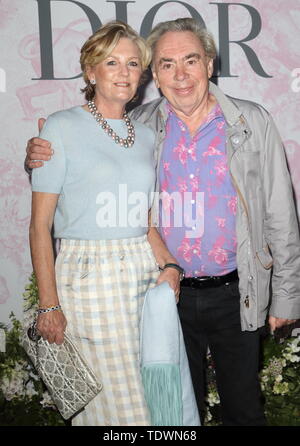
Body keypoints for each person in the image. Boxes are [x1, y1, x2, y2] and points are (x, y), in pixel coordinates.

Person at [25, 18, 300, 426]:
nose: (181, 74)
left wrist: (286, 295)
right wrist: (37, 154)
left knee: (244, 409)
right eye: (167, 64)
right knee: (170, 412)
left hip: (235, 291)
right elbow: (84, 161)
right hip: (159, 295)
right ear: (156, 74)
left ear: (209, 64)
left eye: (191, 60)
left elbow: (281, 213)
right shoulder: (141, 127)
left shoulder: (250, 122)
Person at [28, 20, 182, 426]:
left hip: (142, 274)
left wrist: (169, 265)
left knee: (153, 395)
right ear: (90, 71)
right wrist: (49, 303)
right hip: (88, 276)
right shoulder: (59, 127)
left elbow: (145, 218)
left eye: (133, 64)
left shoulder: (146, 135)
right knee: (117, 408)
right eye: (111, 62)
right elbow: (40, 227)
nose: (124, 72)